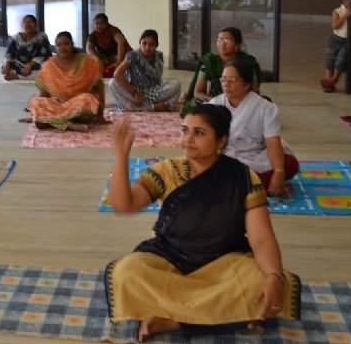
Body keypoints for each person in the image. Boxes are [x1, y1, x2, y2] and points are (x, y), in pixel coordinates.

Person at [105, 104, 300, 341]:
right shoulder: (167, 170)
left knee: (268, 281)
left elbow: (260, 238)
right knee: (127, 273)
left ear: (221, 141)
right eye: (185, 131)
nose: (188, 139)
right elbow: (124, 205)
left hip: (224, 263)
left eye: (199, 133)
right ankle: (225, 316)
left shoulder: (242, 177)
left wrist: (273, 276)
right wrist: (121, 155)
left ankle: (173, 320)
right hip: (170, 259)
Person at [209, 60, 299, 196]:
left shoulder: (266, 108)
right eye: (223, 79)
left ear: (247, 85)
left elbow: (272, 142)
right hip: (224, 156)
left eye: (232, 80)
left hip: (256, 156)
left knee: (290, 164)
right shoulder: (214, 105)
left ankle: (236, 185)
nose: (226, 84)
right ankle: (250, 185)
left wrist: (278, 172)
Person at [28, 31, 106, 131]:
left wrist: (101, 116)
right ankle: (70, 125)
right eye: (59, 45)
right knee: (35, 102)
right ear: (55, 48)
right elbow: (45, 92)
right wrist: (38, 110)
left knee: (88, 99)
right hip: (58, 104)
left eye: (66, 44)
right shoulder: (50, 65)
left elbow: (99, 87)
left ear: (72, 44)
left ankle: (51, 121)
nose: (63, 48)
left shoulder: (86, 61)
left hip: (79, 106)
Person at [180, 26, 262, 116]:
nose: (222, 44)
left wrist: (235, 103)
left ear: (237, 45)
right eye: (219, 40)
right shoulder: (209, 62)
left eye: (227, 41)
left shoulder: (248, 63)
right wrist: (217, 102)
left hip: (240, 101)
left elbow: (254, 92)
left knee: (262, 104)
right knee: (195, 103)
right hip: (215, 102)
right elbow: (198, 93)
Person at [110, 29, 181, 112]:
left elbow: (158, 80)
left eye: (152, 45)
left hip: (153, 92)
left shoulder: (159, 56)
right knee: (113, 83)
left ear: (156, 45)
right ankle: (152, 108)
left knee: (176, 85)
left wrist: (158, 91)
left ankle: (138, 107)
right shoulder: (132, 56)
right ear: (140, 43)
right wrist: (135, 92)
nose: (147, 48)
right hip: (134, 93)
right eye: (144, 43)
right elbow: (117, 74)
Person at [322, 0, 351, 93]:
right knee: (331, 60)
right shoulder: (337, 11)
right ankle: (328, 83)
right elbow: (335, 26)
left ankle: (333, 80)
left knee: (341, 59)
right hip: (335, 39)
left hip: (349, 41)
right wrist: (345, 16)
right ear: (345, 0)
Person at [1, 14, 52, 80]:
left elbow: (43, 55)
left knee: (46, 68)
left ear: (35, 25)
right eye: (26, 22)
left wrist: (30, 65)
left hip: (36, 63)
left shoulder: (42, 37)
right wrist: (7, 66)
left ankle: (17, 76)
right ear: (22, 25)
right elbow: (9, 53)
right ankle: (19, 74)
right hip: (21, 63)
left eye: (30, 22)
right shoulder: (17, 37)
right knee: (6, 64)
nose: (28, 25)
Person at [86, 12, 132, 78]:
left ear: (107, 23)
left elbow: (121, 42)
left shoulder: (112, 30)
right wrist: (97, 59)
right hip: (107, 59)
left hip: (121, 56)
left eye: (102, 23)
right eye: (96, 24)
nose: (99, 26)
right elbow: (88, 48)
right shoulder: (93, 35)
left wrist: (119, 63)